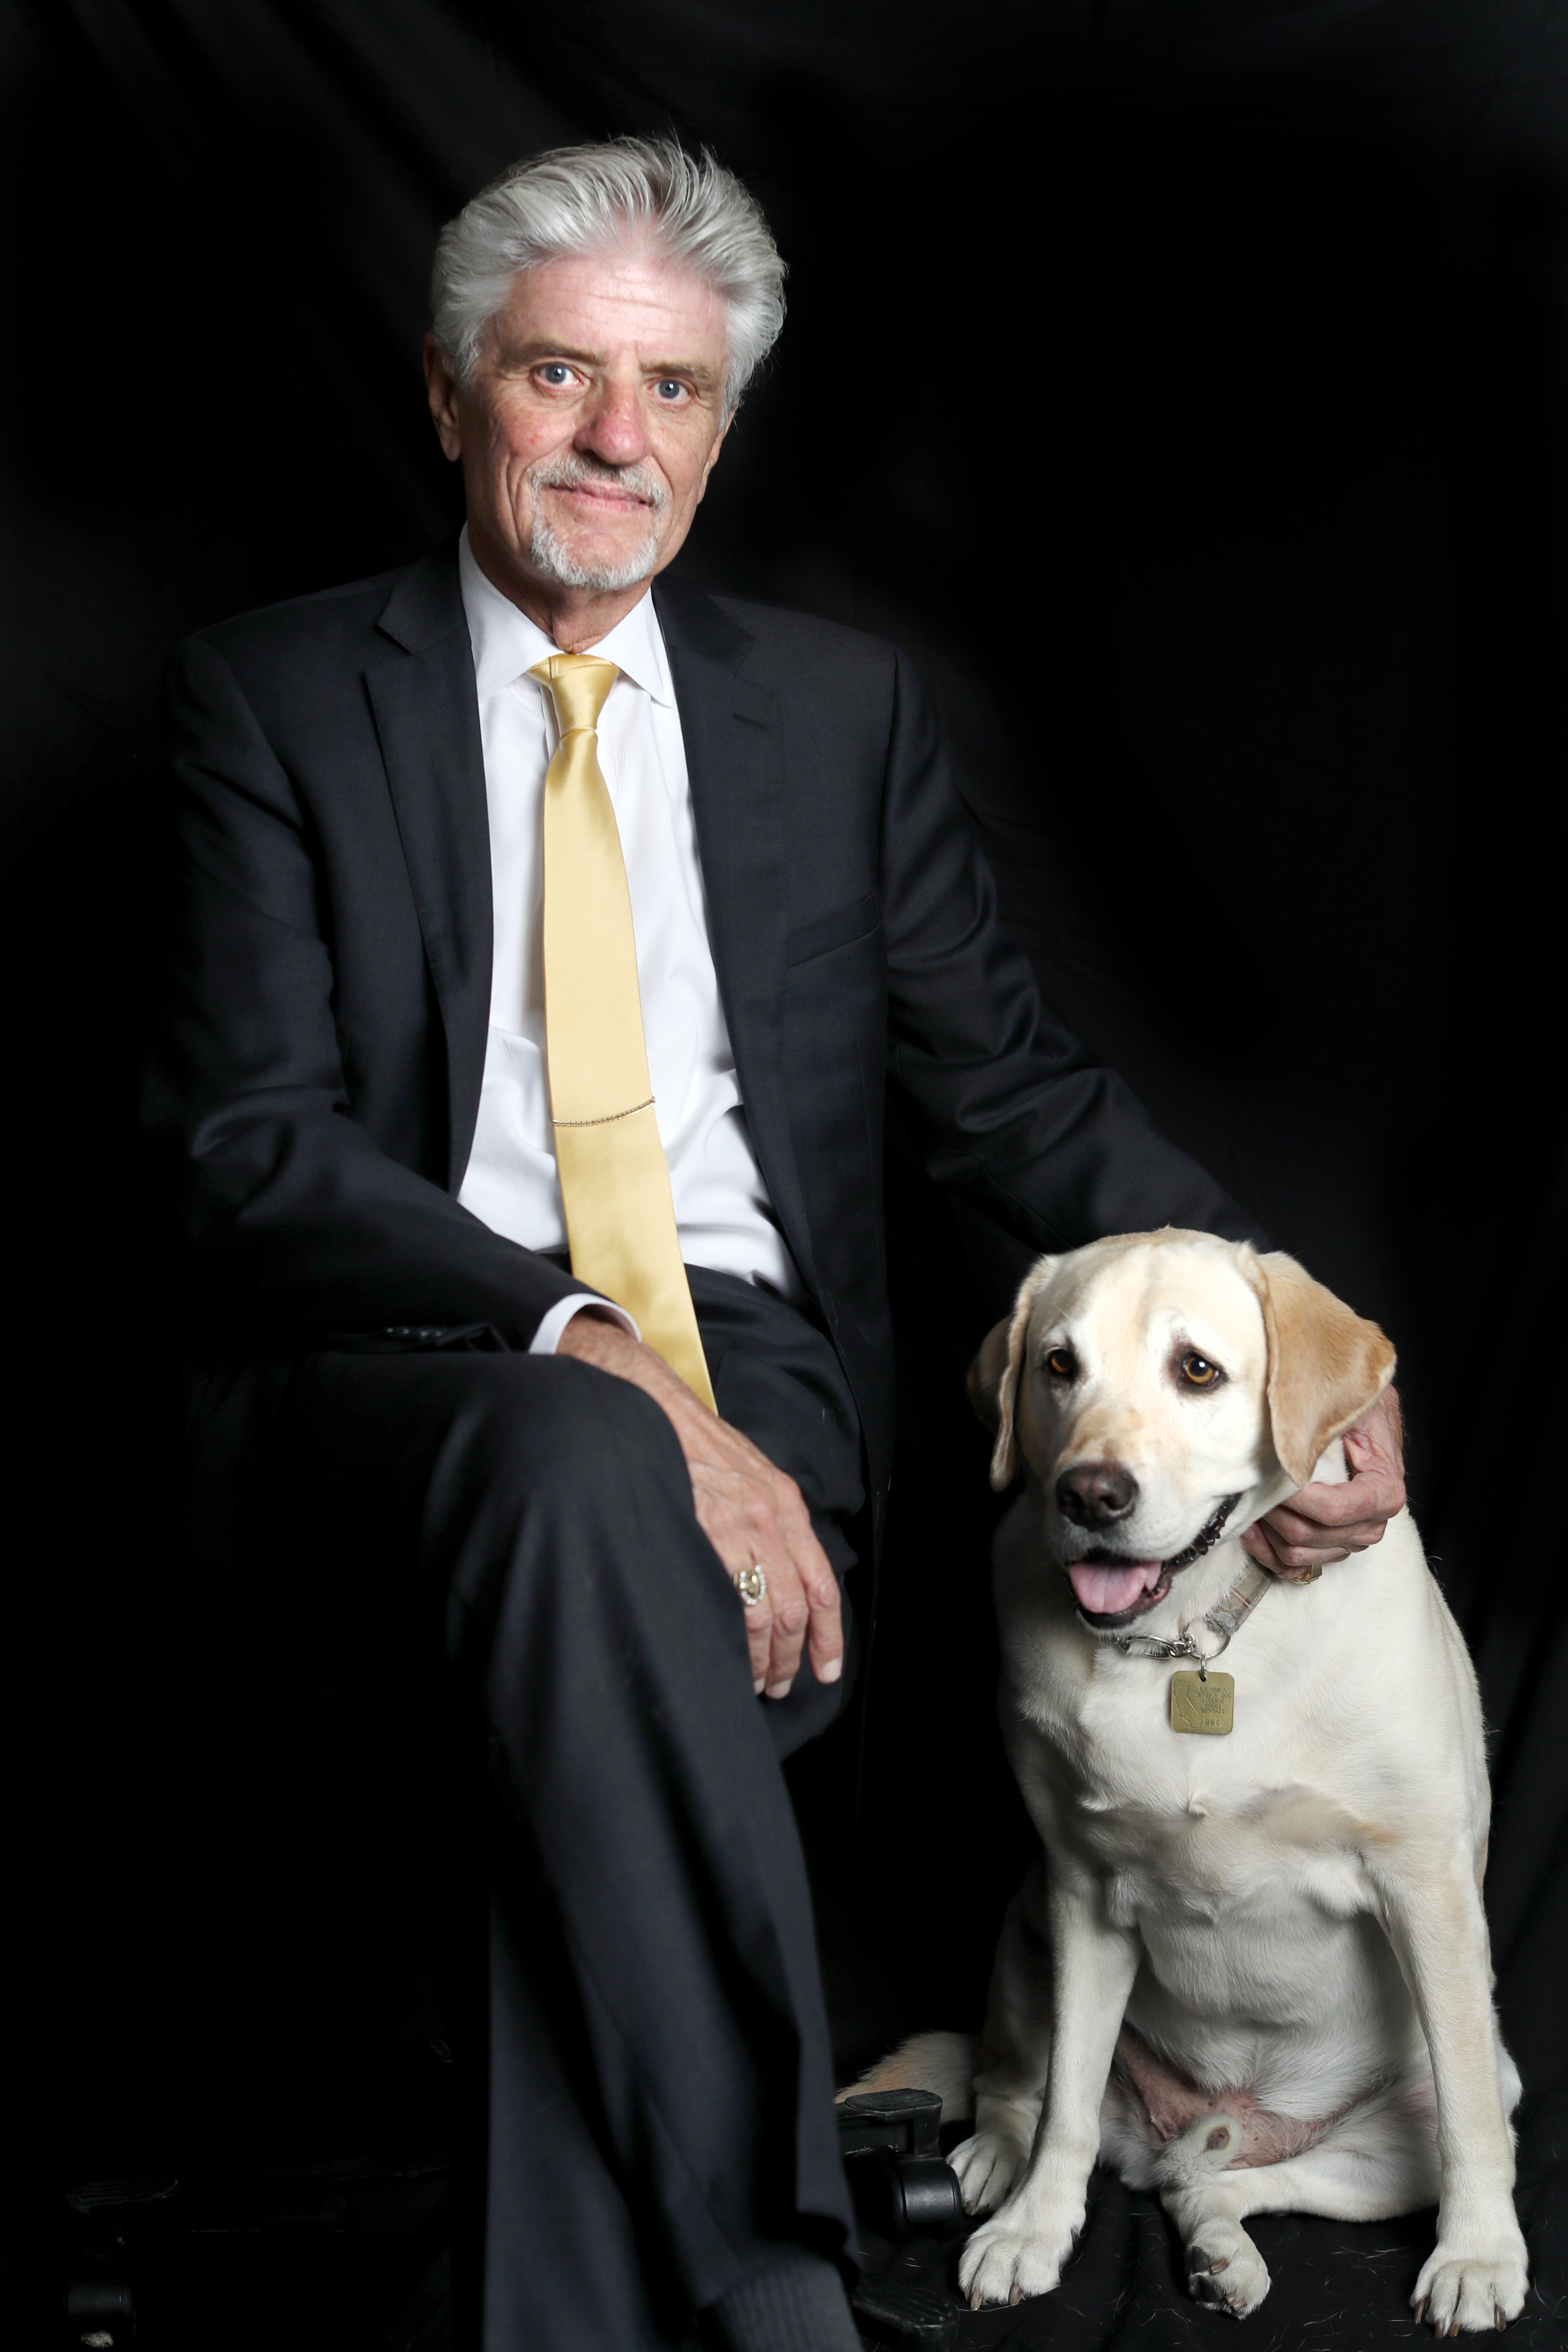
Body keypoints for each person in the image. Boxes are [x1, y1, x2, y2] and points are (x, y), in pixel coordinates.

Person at [145, 138, 1405, 2352]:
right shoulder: (267, 702)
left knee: (592, 1565)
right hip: (394, 1380)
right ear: (453, 397)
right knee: (573, 1472)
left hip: (760, 1375)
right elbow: (242, 1152)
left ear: (725, 427)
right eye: (561, 376)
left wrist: (1319, 1362)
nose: (618, 441)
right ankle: (766, 2277)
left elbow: (1007, 1097)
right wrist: (577, 1341)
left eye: (677, 391)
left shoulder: (836, 713)